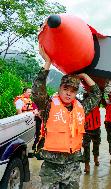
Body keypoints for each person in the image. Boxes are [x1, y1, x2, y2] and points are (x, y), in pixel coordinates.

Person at [32, 45, 101, 189]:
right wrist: (47, 63)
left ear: (76, 93)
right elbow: (37, 90)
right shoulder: (48, 105)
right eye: (65, 89)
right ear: (59, 88)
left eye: (73, 91)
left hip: (73, 166)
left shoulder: (81, 107)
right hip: (52, 167)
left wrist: (84, 76)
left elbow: (97, 95)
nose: (69, 93)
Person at [14, 87, 42, 151]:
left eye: (31, 92)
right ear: (24, 92)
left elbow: (34, 109)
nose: (30, 93)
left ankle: (33, 148)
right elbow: (19, 113)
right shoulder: (19, 101)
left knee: (35, 134)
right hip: (25, 122)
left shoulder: (29, 100)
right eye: (29, 92)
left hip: (31, 120)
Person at [82, 92, 102, 172]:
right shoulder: (83, 105)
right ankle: (87, 165)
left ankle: (95, 158)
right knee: (86, 147)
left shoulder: (97, 103)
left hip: (96, 128)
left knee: (96, 144)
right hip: (86, 129)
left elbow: (100, 94)